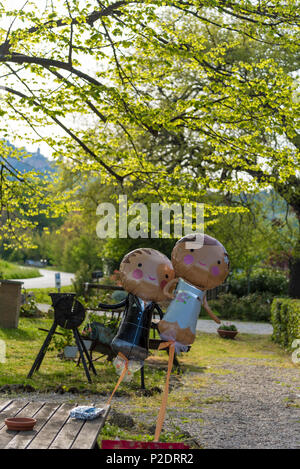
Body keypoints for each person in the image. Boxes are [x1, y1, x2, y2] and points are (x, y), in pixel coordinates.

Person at [158, 234, 230, 350]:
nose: (202, 263)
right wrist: (169, 295)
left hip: (187, 325)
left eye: (217, 262)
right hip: (172, 317)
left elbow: (206, 305)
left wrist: (215, 318)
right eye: (191, 250)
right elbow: (167, 290)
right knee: (174, 320)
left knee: (186, 326)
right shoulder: (181, 281)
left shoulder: (202, 290)